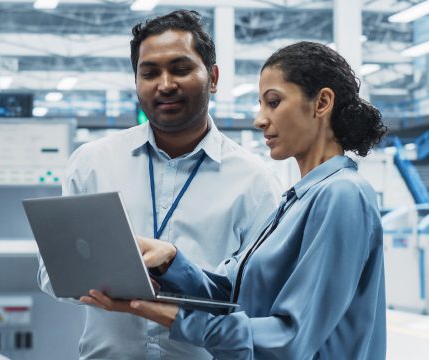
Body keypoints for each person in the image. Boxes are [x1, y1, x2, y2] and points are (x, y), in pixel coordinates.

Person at [82, 41, 388, 359]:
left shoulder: (342, 196)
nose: (259, 119)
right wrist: (170, 261)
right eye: (261, 104)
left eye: (273, 102)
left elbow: (290, 338)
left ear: (321, 103)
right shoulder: (295, 202)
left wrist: (170, 316)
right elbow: (236, 293)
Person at [38, 9, 281, 360]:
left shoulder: (255, 182)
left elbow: (261, 300)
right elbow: (51, 271)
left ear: (213, 77)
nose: (165, 84)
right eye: (149, 73)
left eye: (180, 69)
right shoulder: (92, 163)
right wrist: (104, 282)